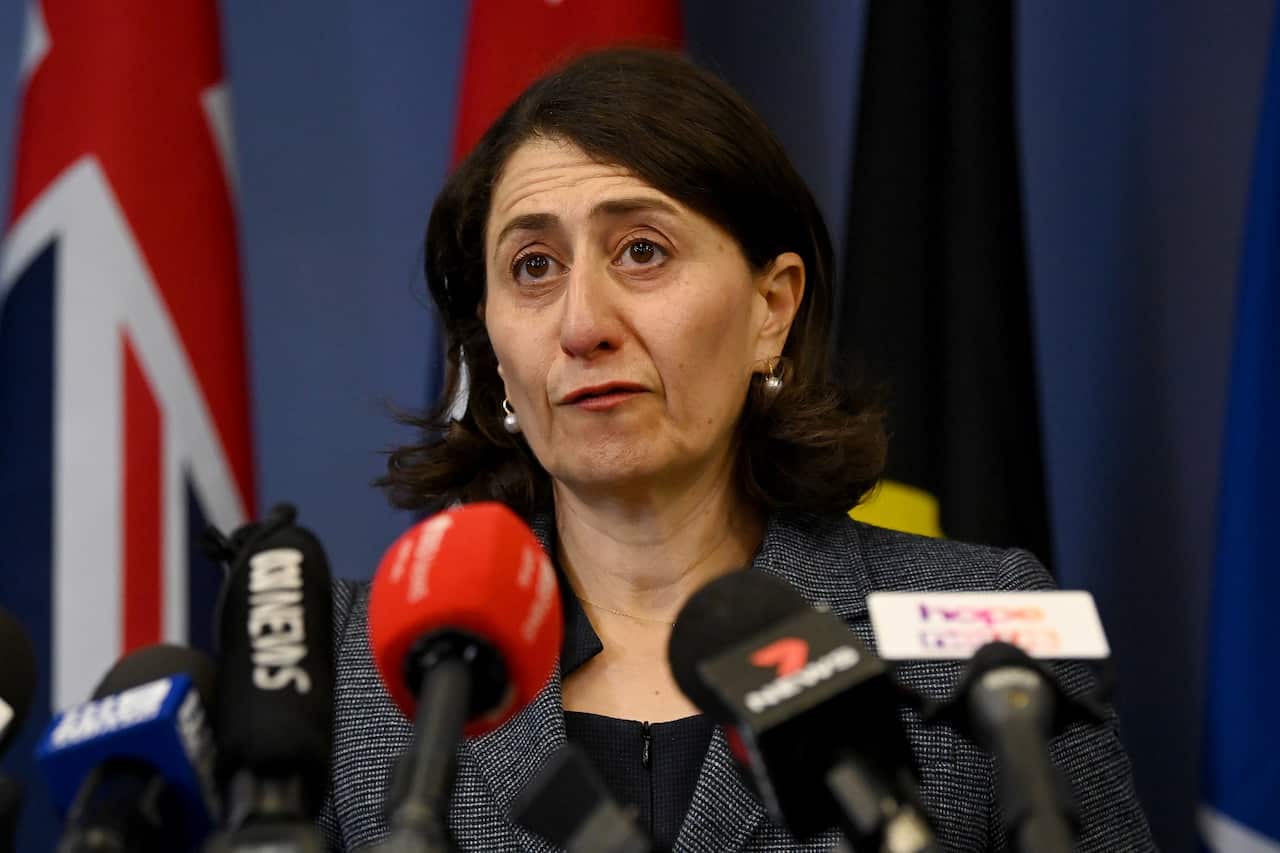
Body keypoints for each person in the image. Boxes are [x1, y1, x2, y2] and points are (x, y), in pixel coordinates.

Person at [318, 48, 1154, 852]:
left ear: (772, 308)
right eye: (533, 265)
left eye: (641, 251)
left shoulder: (987, 623)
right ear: (492, 348)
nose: (581, 325)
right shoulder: (353, 665)